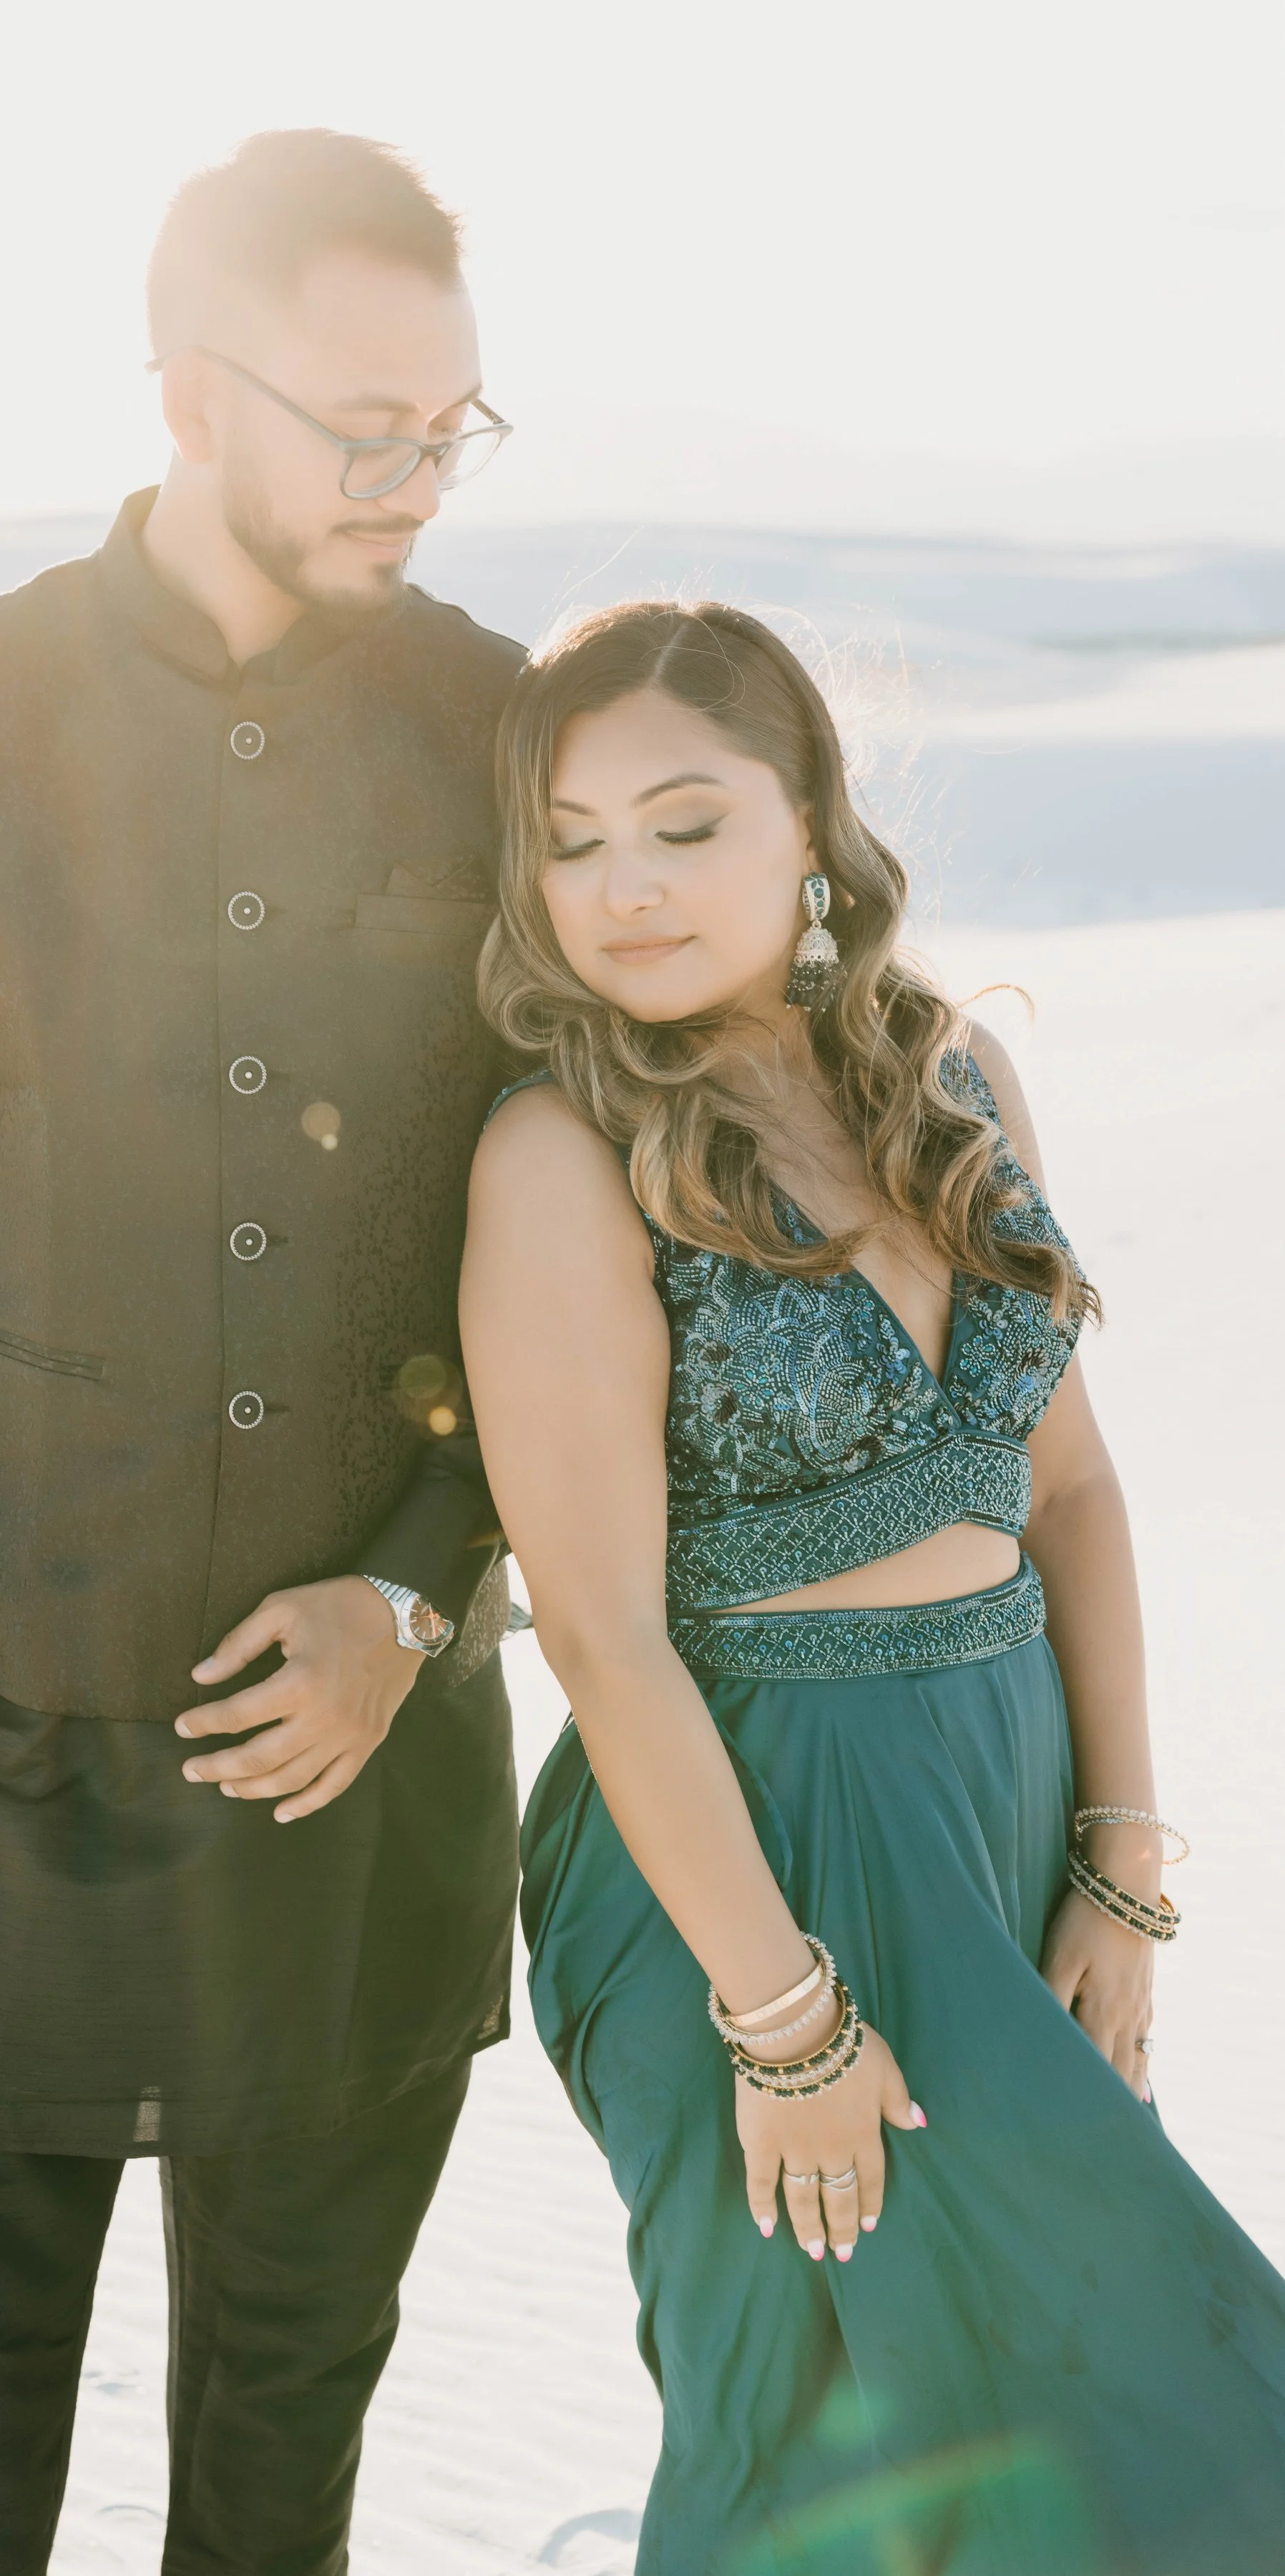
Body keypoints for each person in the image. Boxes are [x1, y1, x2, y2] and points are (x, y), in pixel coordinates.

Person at [0, 130, 524, 2575]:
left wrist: (414, 1590)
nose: (415, 477)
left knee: (278, 2504)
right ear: (190, 389)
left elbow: (569, 1252)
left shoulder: (508, 735)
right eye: (362, 421)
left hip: (356, 1807)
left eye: (454, 424)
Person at [459, 600, 1285, 2574]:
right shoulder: (561, 1152)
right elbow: (599, 1629)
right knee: (821, 2460)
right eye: (568, 842)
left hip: (994, 1809)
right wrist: (786, 2024)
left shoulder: (953, 1078)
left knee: (1123, 2414)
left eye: (680, 822)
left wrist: (1119, 1855)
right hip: (746, 1850)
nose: (621, 888)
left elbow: (1066, 1483)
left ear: (808, 831)